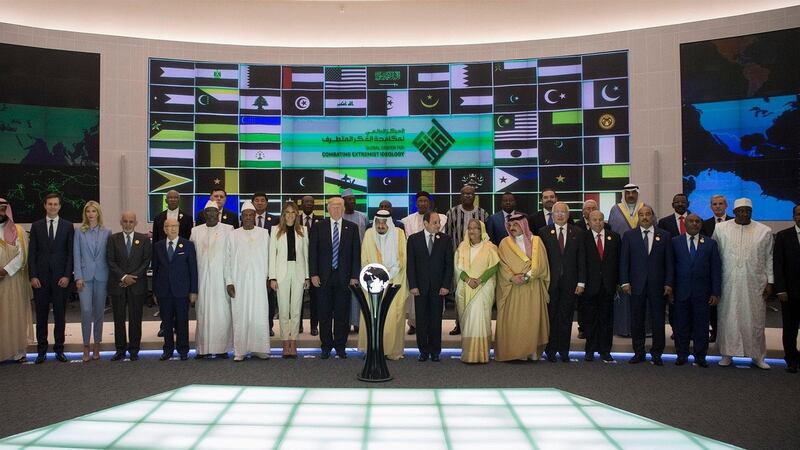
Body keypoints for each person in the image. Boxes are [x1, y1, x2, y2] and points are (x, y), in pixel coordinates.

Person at [714, 198, 774, 369]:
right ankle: (726, 354)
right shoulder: (721, 229)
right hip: (728, 282)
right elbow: (714, 256)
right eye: (740, 210)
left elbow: (769, 257)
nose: (744, 213)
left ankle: (757, 356)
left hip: (754, 283)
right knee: (728, 317)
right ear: (734, 211)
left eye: (747, 210)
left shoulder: (764, 231)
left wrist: (771, 282)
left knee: (755, 319)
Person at [619, 204, 673, 366]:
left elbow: (669, 262)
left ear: (653, 216)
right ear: (638, 217)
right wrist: (625, 282)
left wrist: (669, 283)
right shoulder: (629, 236)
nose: (644, 217)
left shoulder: (664, 235)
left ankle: (657, 353)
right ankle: (639, 352)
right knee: (637, 320)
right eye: (641, 214)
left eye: (648, 214)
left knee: (658, 320)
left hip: (658, 286)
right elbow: (624, 261)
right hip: (636, 285)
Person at [309, 196, 361, 359]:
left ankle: (340, 346)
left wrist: (354, 276)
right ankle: (326, 346)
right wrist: (313, 274)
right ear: (328, 209)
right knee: (324, 313)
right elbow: (313, 253)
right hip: (323, 277)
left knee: (342, 314)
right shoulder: (319, 227)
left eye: (339, 206)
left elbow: (355, 254)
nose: (337, 209)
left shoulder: (352, 228)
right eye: (333, 206)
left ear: (344, 209)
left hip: (344, 278)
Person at [495, 214, 550, 361]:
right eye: (510, 225)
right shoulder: (504, 243)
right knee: (514, 321)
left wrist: (527, 276)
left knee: (531, 320)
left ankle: (530, 352)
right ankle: (513, 353)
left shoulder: (536, 241)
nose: (512, 228)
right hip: (513, 288)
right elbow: (501, 265)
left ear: (524, 225)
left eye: (516, 225)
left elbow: (541, 264)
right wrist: (513, 277)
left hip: (532, 287)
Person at [29, 193, 74, 364]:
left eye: (56, 204)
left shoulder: (68, 226)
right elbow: (32, 253)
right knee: (41, 316)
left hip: (60, 279)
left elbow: (70, 254)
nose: (53, 207)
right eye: (50, 204)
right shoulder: (36, 226)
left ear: (60, 206)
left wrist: (67, 276)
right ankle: (41, 351)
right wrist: (33, 275)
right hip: (40, 279)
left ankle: (59, 349)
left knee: (60, 316)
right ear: (45, 205)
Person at [670, 213, 721, 367]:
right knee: (681, 326)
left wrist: (715, 292)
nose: (694, 224)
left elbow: (716, 269)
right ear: (685, 223)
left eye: (697, 221)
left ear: (701, 224)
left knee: (701, 326)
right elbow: (670, 268)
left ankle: (700, 356)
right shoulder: (674, 242)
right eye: (691, 221)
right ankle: (682, 354)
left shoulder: (710, 244)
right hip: (680, 292)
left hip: (702, 293)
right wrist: (670, 289)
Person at [357, 210, 408, 360]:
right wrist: (376, 278)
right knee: (373, 317)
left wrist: (387, 276)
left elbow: (401, 259)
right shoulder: (369, 235)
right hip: (373, 284)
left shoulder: (398, 234)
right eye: (378, 222)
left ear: (389, 223)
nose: (380, 225)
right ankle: (372, 350)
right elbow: (365, 259)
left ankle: (391, 351)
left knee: (392, 319)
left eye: (384, 222)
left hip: (393, 283)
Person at [539, 202, 586, 363]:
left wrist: (581, 282)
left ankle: (564, 350)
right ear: (552, 215)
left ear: (568, 214)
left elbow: (582, 260)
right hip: (550, 284)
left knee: (566, 318)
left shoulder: (578, 233)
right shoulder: (543, 233)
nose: (559, 215)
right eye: (556, 212)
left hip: (570, 283)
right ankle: (550, 350)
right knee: (551, 317)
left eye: (563, 212)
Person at [226, 201, 271, 361]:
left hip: (259, 281)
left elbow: (269, 256)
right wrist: (229, 281)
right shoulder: (232, 234)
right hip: (239, 281)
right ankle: (240, 351)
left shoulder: (264, 233)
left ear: (255, 216)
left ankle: (261, 348)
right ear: (241, 217)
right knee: (240, 315)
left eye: (251, 215)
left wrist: (269, 277)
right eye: (245, 215)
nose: (248, 218)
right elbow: (228, 259)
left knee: (259, 313)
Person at [407, 211, 454, 362]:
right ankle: (423, 351)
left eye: (439, 222)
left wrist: (446, 285)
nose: (438, 225)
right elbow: (411, 265)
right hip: (419, 288)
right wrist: (413, 285)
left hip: (438, 287)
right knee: (421, 320)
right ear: (425, 223)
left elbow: (449, 265)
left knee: (435, 320)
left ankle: (435, 351)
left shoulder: (445, 240)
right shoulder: (414, 239)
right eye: (435, 222)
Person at [191, 200, 234, 359]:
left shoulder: (228, 230)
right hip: (202, 280)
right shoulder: (195, 231)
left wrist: (230, 280)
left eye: (213, 212)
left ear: (218, 214)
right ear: (204, 214)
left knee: (222, 314)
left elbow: (231, 256)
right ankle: (203, 349)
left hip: (221, 279)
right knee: (202, 313)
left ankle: (222, 349)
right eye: (207, 211)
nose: (210, 214)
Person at [107, 211, 152, 361]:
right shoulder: (113, 239)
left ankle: (134, 349)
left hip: (136, 285)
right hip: (118, 284)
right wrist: (124, 277)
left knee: (135, 318)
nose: (127, 224)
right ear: (121, 222)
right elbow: (110, 261)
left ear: (136, 223)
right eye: (125, 221)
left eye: (131, 221)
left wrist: (132, 277)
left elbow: (146, 261)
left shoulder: (144, 239)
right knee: (118, 319)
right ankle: (120, 349)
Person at [401, 191, 447, 336]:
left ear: (430, 203)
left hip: (435, 271)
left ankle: (433, 341)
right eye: (420, 201)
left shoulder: (441, 219)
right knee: (416, 306)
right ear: (416, 203)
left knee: (434, 310)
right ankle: (414, 324)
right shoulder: (406, 220)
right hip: (418, 269)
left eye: (425, 201)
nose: (422, 203)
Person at [445, 184, 488, 335]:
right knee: (459, 293)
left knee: (477, 293)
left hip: (479, 260)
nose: (468, 196)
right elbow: (447, 236)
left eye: (471, 194)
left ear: (475, 196)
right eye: (465, 193)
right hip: (459, 260)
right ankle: (459, 323)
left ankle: (476, 324)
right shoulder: (452, 212)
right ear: (460, 195)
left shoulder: (483, 214)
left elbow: (486, 238)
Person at [152, 218, 197, 361]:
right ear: (164, 229)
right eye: (168, 226)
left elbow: (193, 270)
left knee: (182, 321)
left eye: (175, 226)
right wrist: (154, 291)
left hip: (182, 290)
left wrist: (193, 291)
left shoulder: (188, 245)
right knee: (167, 322)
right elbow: (156, 270)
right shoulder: (158, 246)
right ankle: (168, 349)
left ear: (178, 228)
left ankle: (183, 350)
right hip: (164, 290)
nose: (172, 229)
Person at [454, 218, 499, 363]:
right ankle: (468, 354)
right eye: (470, 228)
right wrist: (468, 280)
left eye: (476, 228)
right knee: (469, 322)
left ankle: (482, 354)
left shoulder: (490, 247)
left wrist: (480, 280)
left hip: (483, 288)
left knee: (481, 320)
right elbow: (457, 268)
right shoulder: (462, 247)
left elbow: (494, 267)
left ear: (482, 231)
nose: (472, 231)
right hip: (466, 287)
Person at [269, 201, 309, 358]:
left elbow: (306, 255)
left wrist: (307, 275)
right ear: (283, 214)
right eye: (287, 212)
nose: (290, 215)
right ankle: (285, 343)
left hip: (298, 272)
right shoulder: (275, 230)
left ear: (297, 215)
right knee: (284, 310)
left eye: (293, 212)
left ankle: (294, 343)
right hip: (281, 272)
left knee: (296, 309)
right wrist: (272, 277)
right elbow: (272, 255)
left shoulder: (303, 230)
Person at [152, 190, 193, 339]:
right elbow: (155, 241)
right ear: (166, 199)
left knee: (180, 305)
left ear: (179, 199)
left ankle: (179, 329)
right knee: (166, 305)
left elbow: (189, 240)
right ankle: (165, 326)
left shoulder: (187, 218)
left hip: (180, 263)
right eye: (170, 197)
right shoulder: (159, 218)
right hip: (164, 262)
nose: (173, 199)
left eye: (176, 197)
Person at [73, 201, 111, 362]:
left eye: (93, 211)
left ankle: (97, 343)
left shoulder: (107, 232)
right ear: (85, 214)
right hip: (85, 278)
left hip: (102, 276)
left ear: (98, 213)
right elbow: (76, 254)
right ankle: (86, 345)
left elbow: (109, 256)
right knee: (86, 310)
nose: (90, 214)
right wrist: (78, 276)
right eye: (88, 211)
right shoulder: (79, 232)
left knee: (99, 312)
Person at [583, 210, 620, 362]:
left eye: (600, 219)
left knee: (607, 320)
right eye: (594, 220)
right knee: (590, 320)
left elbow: (619, 262)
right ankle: (590, 350)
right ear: (589, 222)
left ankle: (605, 351)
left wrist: (618, 282)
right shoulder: (582, 237)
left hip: (608, 285)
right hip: (590, 286)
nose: (598, 222)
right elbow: (581, 263)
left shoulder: (614, 237)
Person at [0, 198, 33, 363]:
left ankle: (17, 352)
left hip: (13, 281)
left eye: (3, 209)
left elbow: (23, 256)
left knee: (14, 315)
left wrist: (5, 270)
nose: (1, 212)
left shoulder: (18, 231)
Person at [701, 194, 732, 343]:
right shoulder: (704, 224)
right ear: (711, 207)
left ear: (726, 205)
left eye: (720, 204)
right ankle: (715, 331)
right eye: (714, 204)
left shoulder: (735, 222)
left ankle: (730, 333)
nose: (718, 206)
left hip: (732, 269)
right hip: (710, 270)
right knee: (713, 302)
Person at [774, 204, 800, 373]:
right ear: (794, 216)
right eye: (798, 214)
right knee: (790, 328)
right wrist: (780, 289)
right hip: (790, 292)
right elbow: (778, 264)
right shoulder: (784, 236)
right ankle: (791, 359)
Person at [252, 192, 279, 337]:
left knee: (269, 298)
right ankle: (255, 326)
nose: (260, 203)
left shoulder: (275, 220)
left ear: (267, 203)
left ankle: (269, 325)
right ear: (253, 203)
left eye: (263, 200)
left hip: (269, 264)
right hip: (252, 265)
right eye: (257, 200)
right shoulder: (245, 218)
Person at [342, 188, 369, 332]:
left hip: (360, 260)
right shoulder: (339, 217)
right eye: (349, 199)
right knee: (344, 293)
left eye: (353, 199)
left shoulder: (363, 217)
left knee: (358, 293)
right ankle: (345, 323)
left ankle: (358, 323)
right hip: (342, 261)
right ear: (343, 202)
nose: (352, 202)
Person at [299, 195, 323, 336]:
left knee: (315, 298)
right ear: (301, 204)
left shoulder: (321, 221)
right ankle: (299, 325)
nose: (309, 204)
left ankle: (314, 325)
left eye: (311, 202)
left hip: (316, 265)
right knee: (299, 297)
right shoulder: (294, 219)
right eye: (306, 202)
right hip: (299, 264)